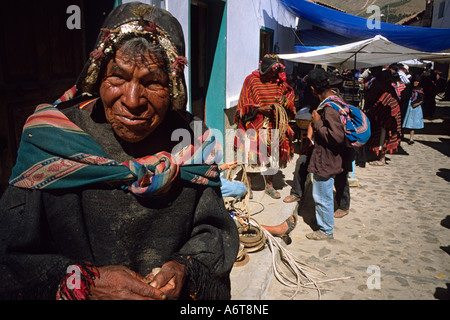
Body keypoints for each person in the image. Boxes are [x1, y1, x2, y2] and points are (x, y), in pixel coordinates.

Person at [0, 3, 239, 300]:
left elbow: (214, 233)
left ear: (174, 88)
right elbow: (10, 255)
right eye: (118, 78)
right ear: (98, 76)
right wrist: (85, 282)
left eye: (153, 82)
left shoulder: (191, 143)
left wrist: (184, 268)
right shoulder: (51, 138)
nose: (133, 99)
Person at [234, 54, 296, 199]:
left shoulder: (279, 81)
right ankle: (247, 186)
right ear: (264, 69)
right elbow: (243, 105)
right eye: (271, 71)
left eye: (276, 71)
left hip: (274, 123)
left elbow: (290, 93)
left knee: (273, 156)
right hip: (254, 124)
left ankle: (269, 185)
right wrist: (259, 109)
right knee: (251, 156)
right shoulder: (251, 80)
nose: (273, 74)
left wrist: (284, 100)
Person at [302, 69, 346, 240]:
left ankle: (325, 230)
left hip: (326, 158)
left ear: (313, 88)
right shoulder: (336, 99)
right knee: (323, 192)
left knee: (322, 194)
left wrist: (317, 123)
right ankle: (324, 225)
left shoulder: (329, 108)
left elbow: (336, 137)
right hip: (329, 157)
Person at [365, 70, 402, 166]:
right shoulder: (389, 87)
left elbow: (371, 98)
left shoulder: (382, 87)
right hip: (386, 116)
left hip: (387, 117)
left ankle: (382, 158)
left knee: (384, 135)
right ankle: (379, 155)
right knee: (383, 134)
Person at [402, 75, 424, 145]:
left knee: (413, 123)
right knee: (405, 121)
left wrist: (416, 104)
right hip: (408, 106)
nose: (416, 83)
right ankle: (402, 135)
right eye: (415, 81)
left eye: (417, 81)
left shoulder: (420, 90)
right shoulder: (410, 88)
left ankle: (411, 138)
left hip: (415, 108)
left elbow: (422, 100)